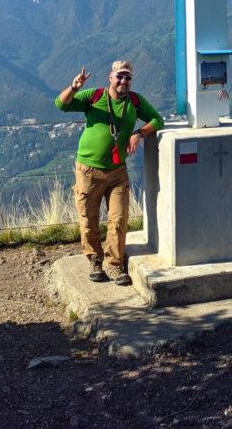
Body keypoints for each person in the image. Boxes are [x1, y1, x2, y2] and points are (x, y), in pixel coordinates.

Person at [56, 60, 164, 285]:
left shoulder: (135, 101)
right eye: (119, 76)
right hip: (88, 169)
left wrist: (139, 133)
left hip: (117, 171)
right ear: (110, 77)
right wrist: (74, 87)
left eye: (127, 77)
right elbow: (61, 104)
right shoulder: (93, 96)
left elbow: (157, 120)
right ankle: (95, 260)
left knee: (119, 218)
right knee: (88, 218)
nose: (123, 81)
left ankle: (113, 264)